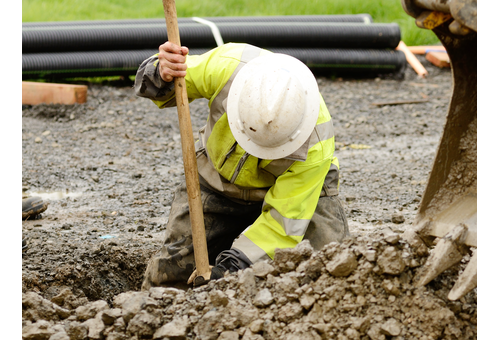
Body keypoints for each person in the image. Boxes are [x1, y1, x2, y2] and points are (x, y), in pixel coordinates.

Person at [135, 41, 349, 289]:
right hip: (217, 180)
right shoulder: (228, 67)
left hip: (299, 197)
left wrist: (228, 271)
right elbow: (171, 83)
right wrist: (161, 73)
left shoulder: (316, 146)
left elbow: (282, 227)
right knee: (170, 278)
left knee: (330, 274)